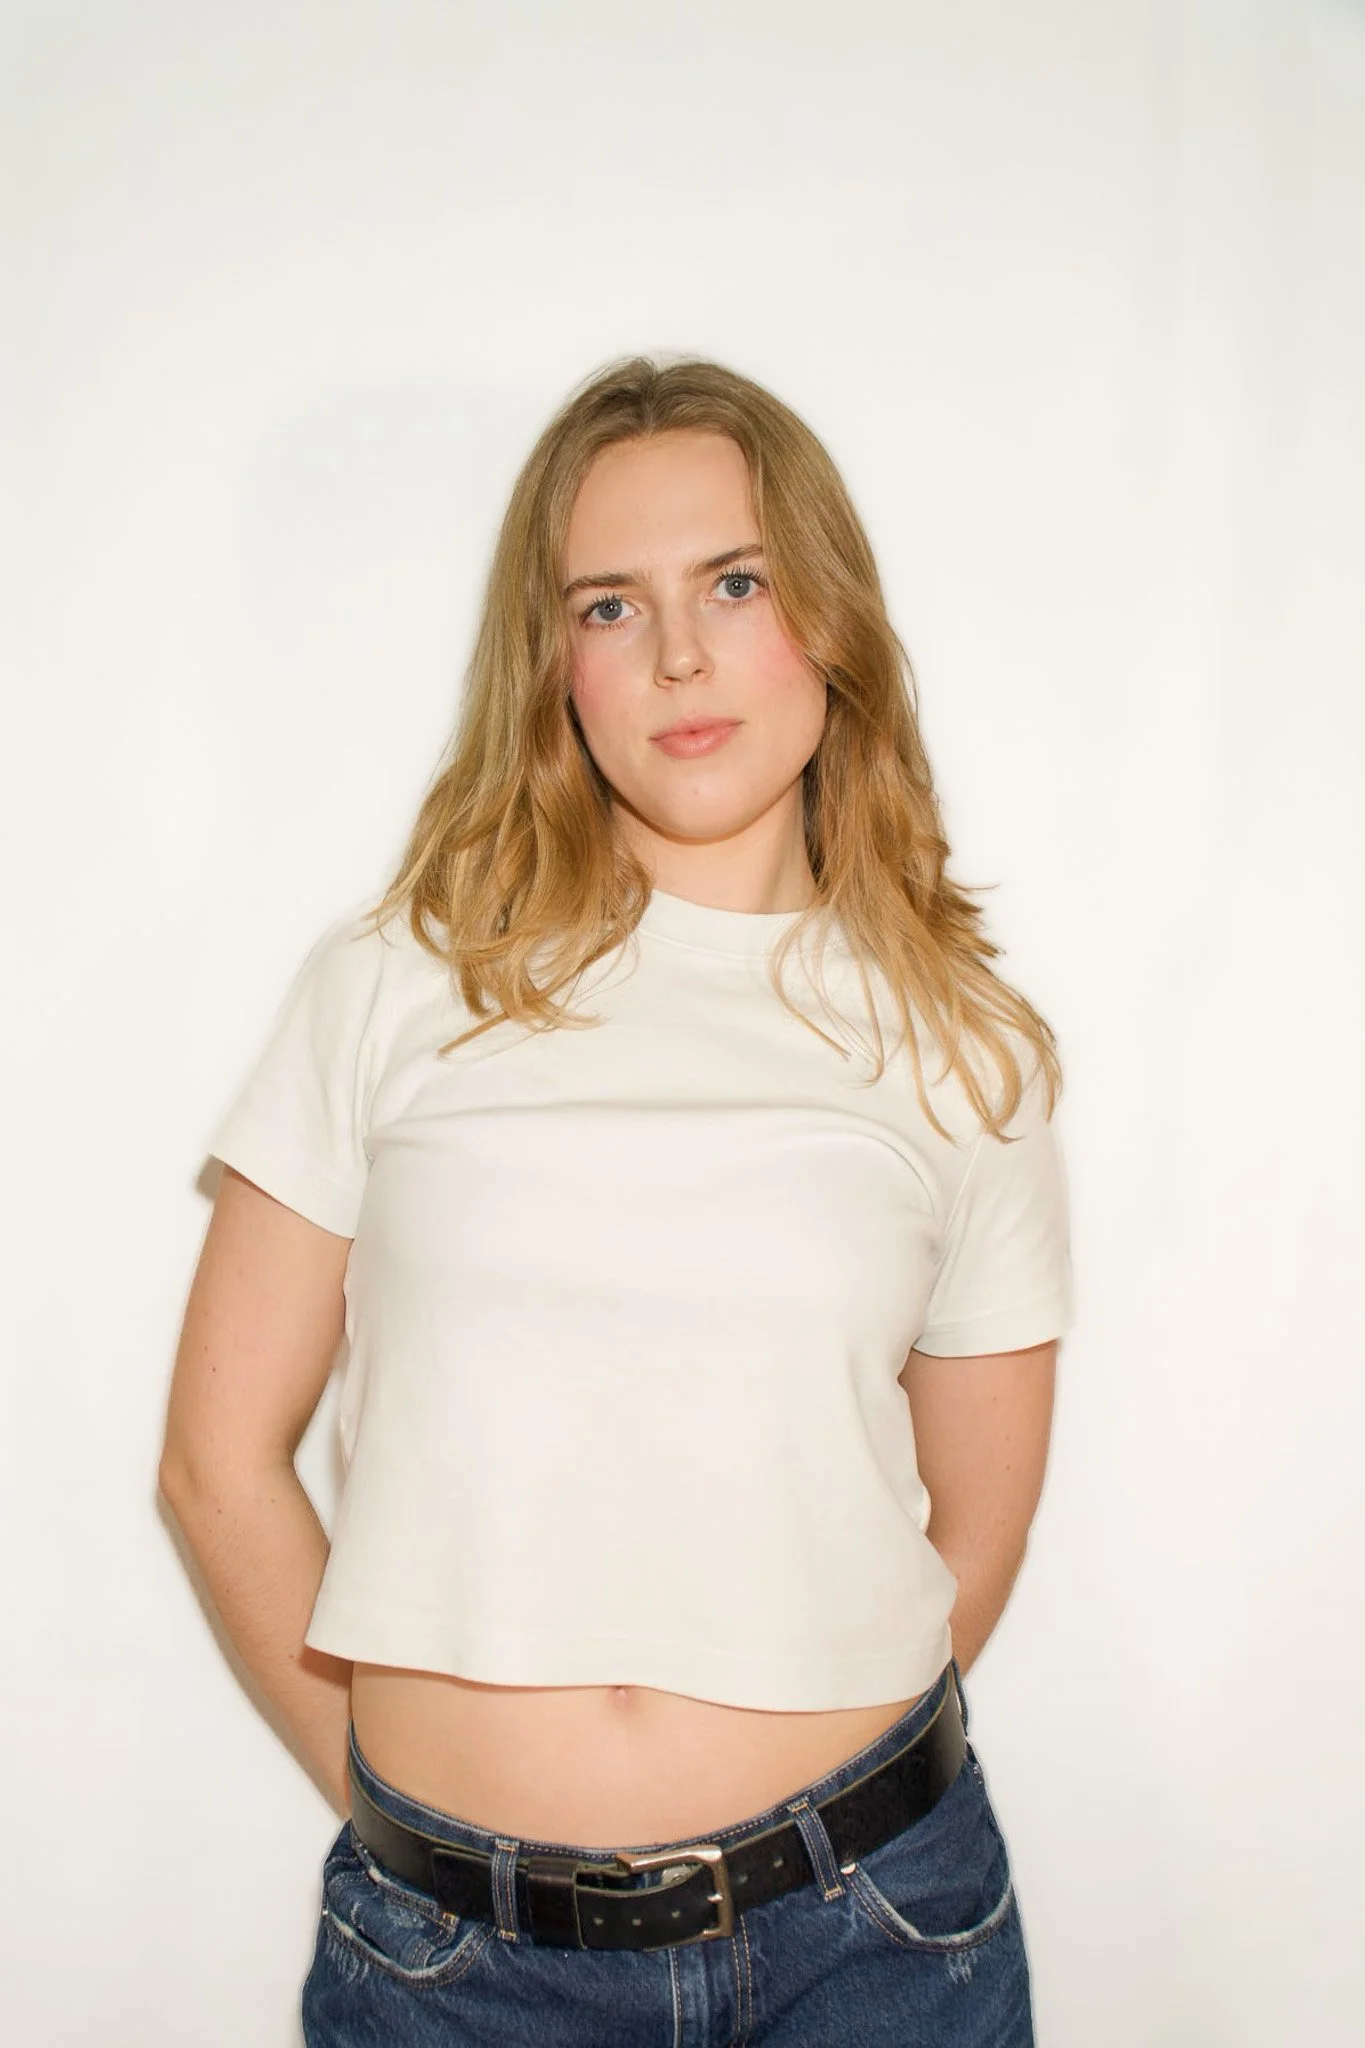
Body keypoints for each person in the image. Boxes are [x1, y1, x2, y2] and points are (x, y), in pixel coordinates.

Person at [160, 354, 1074, 2047]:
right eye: (608, 605)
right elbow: (217, 1464)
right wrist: (411, 1823)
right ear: (552, 663)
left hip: (876, 1941)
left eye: (736, 583)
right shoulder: (396, 980)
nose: (677, 656)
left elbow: (978, 1530)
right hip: (455, 1976)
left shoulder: (965, 1050)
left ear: (832, 619)